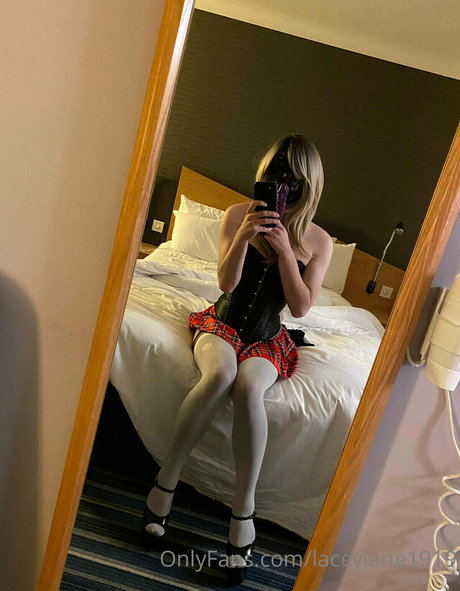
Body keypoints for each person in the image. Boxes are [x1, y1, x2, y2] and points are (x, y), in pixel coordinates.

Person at [142, 133, 333, 584]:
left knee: (249, 387)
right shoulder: (234, 215)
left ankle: (242, 513)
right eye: (276, 173)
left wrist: (285, 251)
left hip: (267, 339)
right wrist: (245, 236)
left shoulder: (318, 241)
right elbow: (226, 285)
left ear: (307, 185)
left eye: (293, 178)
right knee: (220, 375)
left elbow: (300, 307)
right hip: (223, 324)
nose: (283, 184)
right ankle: (165, 483)